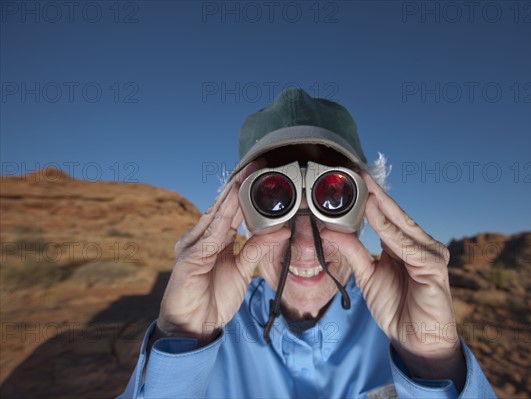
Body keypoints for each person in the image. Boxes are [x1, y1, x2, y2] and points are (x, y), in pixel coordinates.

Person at [118, 88, 497, 398]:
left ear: (367, 211)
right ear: (239, 217)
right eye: (271, 201)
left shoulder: (401, 323)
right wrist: (184, 336)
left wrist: (431, 359)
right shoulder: (210, 332)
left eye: (332, 199)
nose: (304, 243)